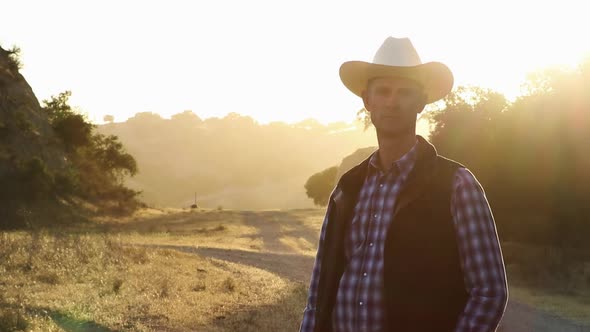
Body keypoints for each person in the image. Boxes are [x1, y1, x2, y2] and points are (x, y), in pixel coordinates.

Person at [300, 37, 508, 332]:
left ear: (421, 102)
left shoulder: (457, 186)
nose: (392, 102)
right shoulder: (347, 189)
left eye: (404, 92)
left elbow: (489, 293)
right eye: (383, 91)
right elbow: (318, 292)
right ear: (367, 101)